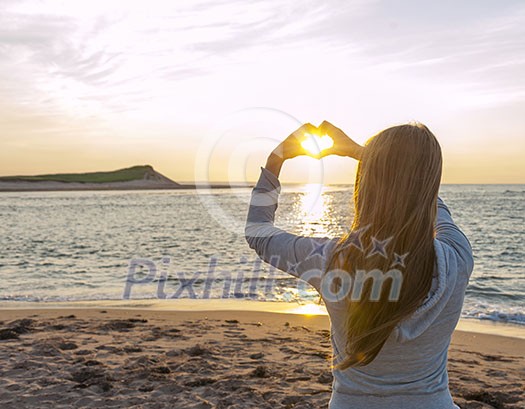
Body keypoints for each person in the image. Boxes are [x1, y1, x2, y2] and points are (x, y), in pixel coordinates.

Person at [245, 121, 474, 409]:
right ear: (430, 182)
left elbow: (258, 233)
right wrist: (363, 154)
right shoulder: (457, 256)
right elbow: (431, 204)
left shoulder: (331, 259)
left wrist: (276, 159)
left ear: (367, 184)